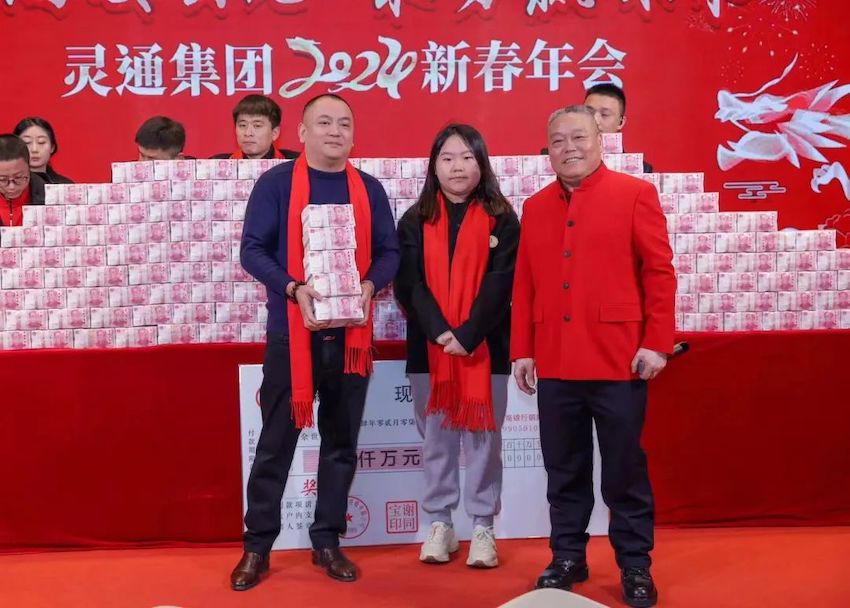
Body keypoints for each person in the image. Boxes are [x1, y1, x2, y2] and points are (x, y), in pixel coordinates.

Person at [232, 93, 399, 590]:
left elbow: (389, 251)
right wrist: (292, 287)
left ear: (353, 134)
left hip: (351, 339)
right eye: (324, 122)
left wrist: (370, 285)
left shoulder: (368, 188)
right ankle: (257, 546)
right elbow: (252, 250)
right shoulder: (276, 184)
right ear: (302, 133)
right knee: (274, 445)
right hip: (292, 336)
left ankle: (327, 539)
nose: (335, 132)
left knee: (341, 445)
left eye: (344, 124)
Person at [511, 106, 675, 607]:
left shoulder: (635, 194)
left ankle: (635, 564)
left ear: (601, 140)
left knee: (624, 469)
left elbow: (658, 272)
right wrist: (522, 349)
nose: (570, 148)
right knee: (564, 469)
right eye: (558, 140)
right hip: (555, 360)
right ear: (548, 149)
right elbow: (526, 283)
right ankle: (567, 557)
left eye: (579, 137)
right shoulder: (535, 206)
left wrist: (657, 342)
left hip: (618, 359)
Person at [394, 124, 519, 568]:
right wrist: (441, 332)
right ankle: (440, 523)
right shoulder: (414, 219)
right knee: (436, 441)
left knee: (484, 440)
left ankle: (483, 526)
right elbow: (408, 284)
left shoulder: (503, 218)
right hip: (429, 351)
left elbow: (502, 283)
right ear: (434, 166)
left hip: (487, 348)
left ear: (481, 163)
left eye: (467, 157)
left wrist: (467, 335)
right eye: (447, 158)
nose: (457, 167)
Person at [212, 94, 299, 160]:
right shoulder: (216, 165)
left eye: (257, 126)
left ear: (274, 133)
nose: (248, 133)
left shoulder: (294, 163)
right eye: (242, 125)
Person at [0, 134, 45, 226]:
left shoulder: (51, 197)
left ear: (29, 168)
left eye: (18, 177)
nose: (12, 187)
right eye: (3, 180)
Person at [14, 117, 73, 184]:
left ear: (52, 147)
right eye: (27, 142)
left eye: (41, 142)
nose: (34, 149)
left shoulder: (64, 185)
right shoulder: (8, 184)